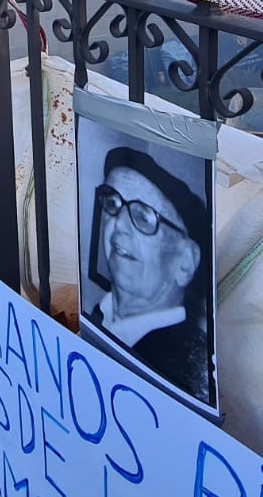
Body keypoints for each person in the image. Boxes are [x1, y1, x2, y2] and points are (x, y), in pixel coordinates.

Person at [86, 145, 213, 405]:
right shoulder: (95, 314)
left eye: (144, 216)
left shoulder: (191, 373)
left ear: (185, 262)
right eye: (112, 203)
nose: (117, 224)